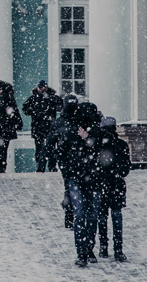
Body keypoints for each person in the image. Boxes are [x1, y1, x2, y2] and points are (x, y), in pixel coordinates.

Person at [54, 101, 102, 267]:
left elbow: (102, 154)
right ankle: (82, 251)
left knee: (90, 215)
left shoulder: (96, 132)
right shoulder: (70, 133)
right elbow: (61, 154)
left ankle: (88, 248)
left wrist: (88, 139)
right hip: (78, 179)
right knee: (81, 214)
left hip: (92, 179)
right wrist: (67, 174)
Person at [94, 116, 131, 262]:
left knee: (102, 216)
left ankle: (103, 246)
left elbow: (94, 166)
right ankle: (118, 248)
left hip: (101, 184)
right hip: (116, 184)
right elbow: (126, 168)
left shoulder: (97, 145)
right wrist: (117, 172)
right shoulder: (121, 145)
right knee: (116, 215)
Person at [46, 94, 81, 227]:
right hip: (78, 158)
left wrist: (52, 158)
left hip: (66, 159)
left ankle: (69, 215)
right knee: (77, 186)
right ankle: (74, 214)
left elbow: (49, 143)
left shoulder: (59, 122)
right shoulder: (80, 120)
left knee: (69, 187)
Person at [22, 81, 61, 173]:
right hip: (38, 127)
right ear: (37, 88)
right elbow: (25, 110)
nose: (42, 89)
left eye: (43, 87)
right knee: (40, 148)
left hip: (50, 127)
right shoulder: (33, 99)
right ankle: (41, 167)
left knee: (50, 148)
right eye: (40, 87)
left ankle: (51, 166)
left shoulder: (53, 98)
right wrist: (34, 111)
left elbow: (61, 107)